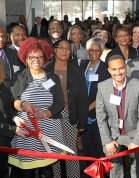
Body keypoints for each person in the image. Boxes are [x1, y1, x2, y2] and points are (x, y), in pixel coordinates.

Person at [9, 37, 64, 178]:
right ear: (25, 59)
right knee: (27, 172)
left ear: (44, 58)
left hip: (49, 131)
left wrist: (46, 113)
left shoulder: (52, 78)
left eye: (40, 57)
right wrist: (22, 105)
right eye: (32, 57)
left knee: (47, 172)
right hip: (27, 133)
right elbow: (12, 102)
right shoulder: (19, 77)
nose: (36, 60)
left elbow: (59, 102)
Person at [96, 55, 139, 178]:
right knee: (115, 172)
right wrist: (107, 140)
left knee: (138, 171)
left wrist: (137, 140)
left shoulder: (138, 85)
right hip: (113, 136)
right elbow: (100, 116)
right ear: (109, 70)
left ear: (125, 68)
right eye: (114, 69)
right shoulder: (102, 87)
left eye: (121, 68)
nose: (118, 72)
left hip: (134, 134)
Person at [44, 39, 88, 178]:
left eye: (67, 48)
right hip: (51, 115)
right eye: (61, 48)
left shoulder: (76, 69)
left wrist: (82, 121)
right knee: (54, 151)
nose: (64, 51)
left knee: (70, 151)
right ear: (55, 50)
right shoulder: (46, 69)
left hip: (71, 114)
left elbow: (83, 97)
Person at [82, 37, 110, 162]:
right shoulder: (82, 65)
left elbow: (104, 94)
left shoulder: (105, 68)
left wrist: (87, 109)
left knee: (100, 149)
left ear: (102, 51)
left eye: (97, 50)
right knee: (88, 150)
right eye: (91, 50)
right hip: (83, 116)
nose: (94, 53)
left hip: (97, 115)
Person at [0, 60, 26, 178]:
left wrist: (15, 118)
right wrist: (13, 129)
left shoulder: (2, 87)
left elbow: (9, 108)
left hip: (4, 141)